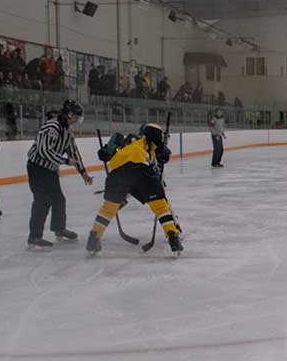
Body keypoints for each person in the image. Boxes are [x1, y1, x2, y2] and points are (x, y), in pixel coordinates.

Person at [86, 123, 183, 255]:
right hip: (141, 171)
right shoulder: (152, 145)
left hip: (117, 173)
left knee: (108, 209)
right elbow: (164, 154)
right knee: (160, 206)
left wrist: (104, 152)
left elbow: (108, 153)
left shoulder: (131, 143)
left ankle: (94, 237)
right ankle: (173, 236)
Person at [26, 99, 92, 249]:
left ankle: (59, 228)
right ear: (69, 114)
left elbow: (73, 152)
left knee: (58, 199)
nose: (77, 120)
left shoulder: (67, 131)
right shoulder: (51, 127)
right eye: (76, 116)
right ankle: (34, 237)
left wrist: (83, 172)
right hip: (37, 168)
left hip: (50, 170)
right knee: (42, 200)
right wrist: (64, 161)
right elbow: (44, 151)